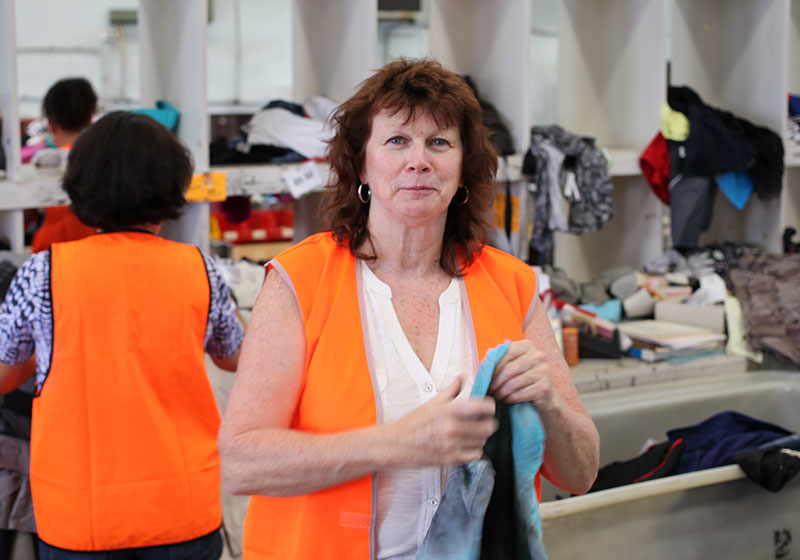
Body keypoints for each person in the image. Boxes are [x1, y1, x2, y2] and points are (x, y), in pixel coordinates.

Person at [218, 58, 599, 559]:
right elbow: (240, 462)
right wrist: (399, 442)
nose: (418, 160)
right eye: (397, 141)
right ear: (362, 164)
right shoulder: (300, 281)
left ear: (463, 167)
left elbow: (581, 473)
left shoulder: (511, 284)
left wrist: (548, 402)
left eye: (439, 142)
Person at [0, 111, 245, 559]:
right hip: (183, 507)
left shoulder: (43, 274)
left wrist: (51, 348)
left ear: (82, 184)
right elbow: (236, 357)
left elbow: (4, 374)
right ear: (172, 185)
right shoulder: (200, 270)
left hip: (81, 514)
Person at [30, 77, 98, 253]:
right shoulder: (102, 158)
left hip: (48, 252)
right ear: (91, 116)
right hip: (93, 248)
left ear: (50, 123)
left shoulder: (42, 160)